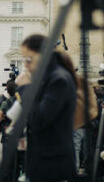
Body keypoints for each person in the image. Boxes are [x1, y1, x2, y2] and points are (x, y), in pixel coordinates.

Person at [19, 33, 76, 182]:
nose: (26, 64)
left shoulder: (58, 80)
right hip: (44, 165)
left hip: (53, 167)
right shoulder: (48, 78)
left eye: (29, 59)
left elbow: (38, 119)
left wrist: (25, 88)